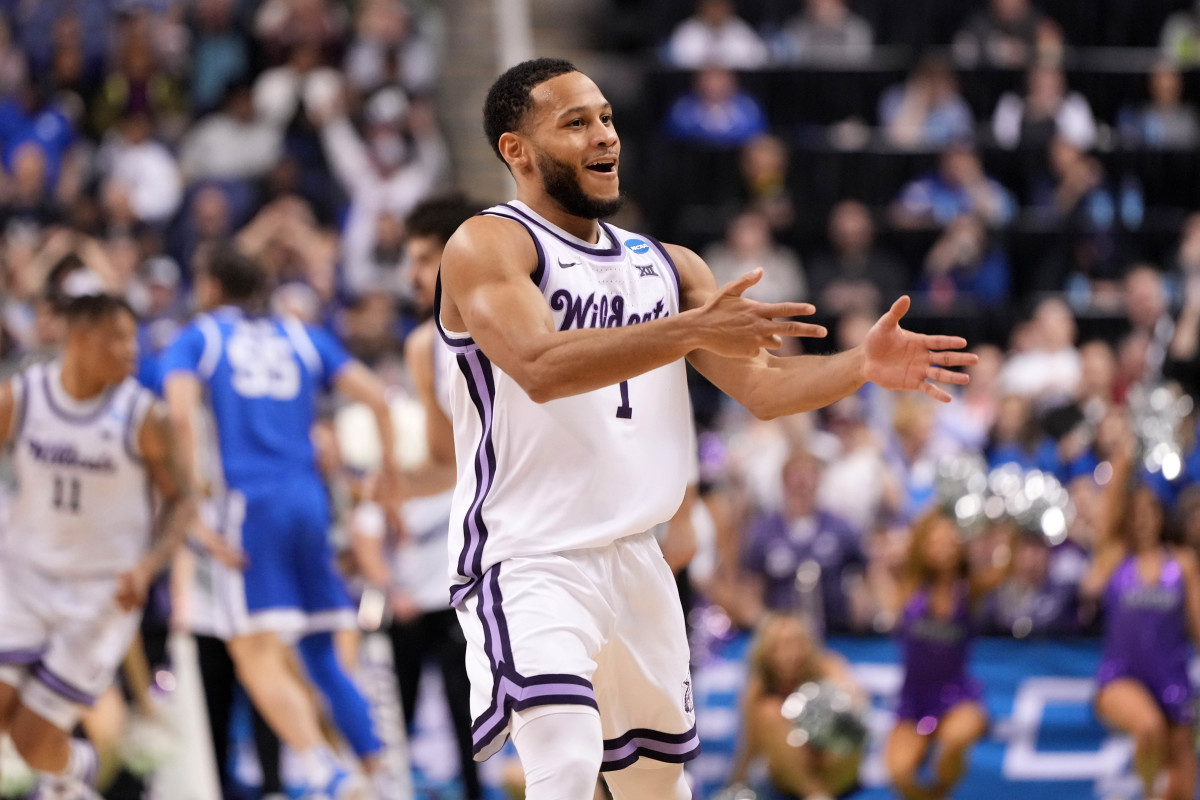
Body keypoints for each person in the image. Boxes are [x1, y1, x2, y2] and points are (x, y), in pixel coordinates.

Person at [436, 57, 978, 799]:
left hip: (638, 559)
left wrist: (860, 366)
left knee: (658, 790)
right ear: (516, 151)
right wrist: (688, 330)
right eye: (576, 123)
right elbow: (538, 363)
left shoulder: (669, 267)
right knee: (562, 761)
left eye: (606, 117)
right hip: (532, 555)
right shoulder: (490, 244)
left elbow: (763, 388)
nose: (604, 136)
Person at [160, 248, 403, 798]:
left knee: (252, 651)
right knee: (321, 650)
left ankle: (325, 769)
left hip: (249, 507)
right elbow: (380, 402)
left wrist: (191, 505)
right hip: (309, 503)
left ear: (213, 285)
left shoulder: (201, 336)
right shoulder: (302, 336)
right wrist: (387, 482)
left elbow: (177, 414)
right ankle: (378, 776)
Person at [0, 293, 195, 798]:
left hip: (98, 596)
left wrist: (149, 566)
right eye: (119, 337)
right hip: (21, 579)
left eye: (133, 337)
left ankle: (72, 777)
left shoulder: (144, 416)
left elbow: (184, 499)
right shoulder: (21, 398)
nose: (132, 350)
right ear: (81, 340)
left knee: (31, 742)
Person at [350, 194, 485, 799]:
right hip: (496, 549)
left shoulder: (528, 312)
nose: (411, 274)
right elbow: (450, 461)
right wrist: (388, 490)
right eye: (409, 260)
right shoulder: (418, 346)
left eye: (425, 258)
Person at [1080, 438, 1200, 800]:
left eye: (1150, 510)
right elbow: (1108, 514)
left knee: (1183, 786)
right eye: (1135, 512)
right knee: (1147, 727)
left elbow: (1197, 627)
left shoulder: (1182, 563)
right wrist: (1123, 458)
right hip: (1121, 676)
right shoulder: (1114, 558)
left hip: (1173, 678)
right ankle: (1149, 788)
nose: (1143, 518)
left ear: (1162, 515)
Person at [884, 508, 1011, 800]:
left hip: (958, 697)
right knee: (899, 774)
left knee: (954, 741)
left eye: (949, 541)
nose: (942, 547)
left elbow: (1006, 567)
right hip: (913, 702)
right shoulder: (909, 584)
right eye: (935, 541)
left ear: (960, 547)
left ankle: (943, 789)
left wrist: (1008, 525)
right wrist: (942, 503)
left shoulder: (970, 591)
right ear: (922, 546)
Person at [728, 614, 866, 800]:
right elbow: (751, 742)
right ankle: (815, 793)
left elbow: (857, 710)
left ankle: (820, 793)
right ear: (766, 650)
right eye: (779, 645)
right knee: (768, 711)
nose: (788, 653)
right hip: (792, 776)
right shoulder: (759, 687)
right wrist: (737, 782)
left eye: (795, 643)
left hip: (834, 767)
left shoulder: (828, 667)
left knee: (845, 715)